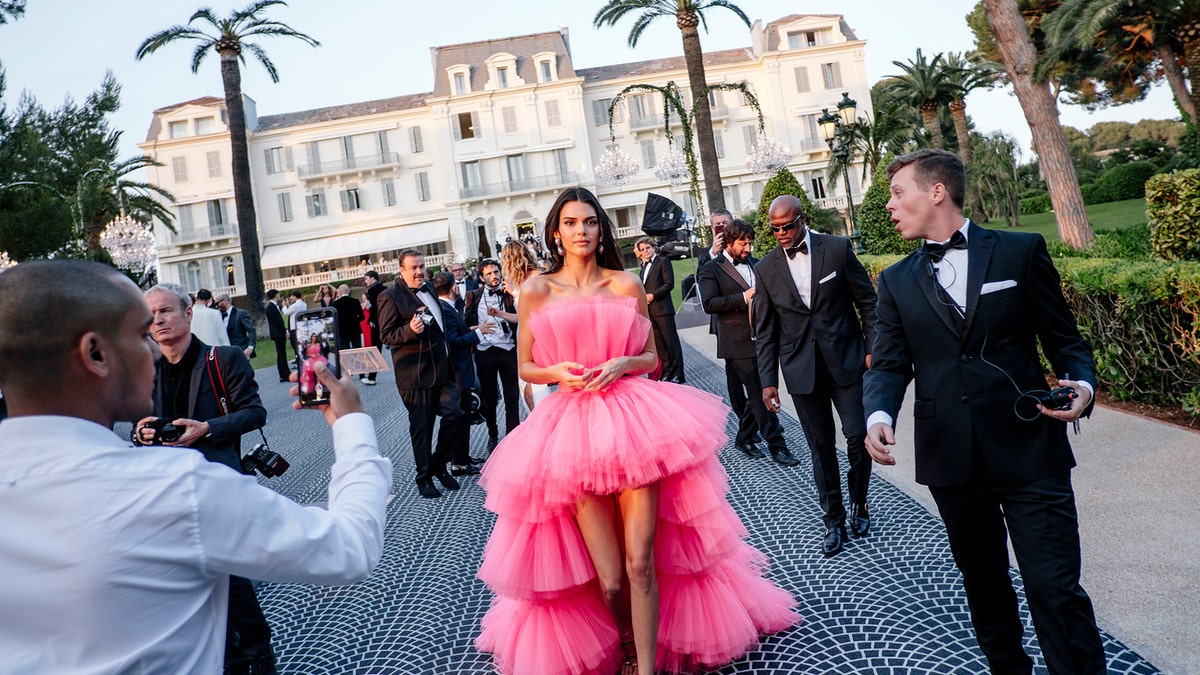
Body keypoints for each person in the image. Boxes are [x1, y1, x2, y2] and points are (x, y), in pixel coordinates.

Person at [0, 260, 391, 674]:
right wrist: (351, 423)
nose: (153, 346)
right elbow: (349, 548)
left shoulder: (216, 368)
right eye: (139, 332)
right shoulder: (175, 489)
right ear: (96, 353)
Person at [475, 187, 799, 675]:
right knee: (609, 578)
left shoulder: (625, 284)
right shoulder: (538, 291)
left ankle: (644, 668)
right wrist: (557, 373)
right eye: (570, 223)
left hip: (632, 422)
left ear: (600, 228)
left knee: (640, 563)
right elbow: (525, 365)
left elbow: (653, 357)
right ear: (555, 232)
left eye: (588, 222)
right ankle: (624, 643)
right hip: (571, 433)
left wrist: (627, 361)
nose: (581, 231)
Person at [864, 149, 1105, 674]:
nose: (889, 205)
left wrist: (1082, 387)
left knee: (1056, 590)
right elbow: (886, 365)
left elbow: (1066, 341)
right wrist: (878, 416)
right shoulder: (896, 281)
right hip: (952, 460)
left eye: (897, 192)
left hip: (1030, 448)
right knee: (985, 589)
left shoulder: (1019, 252)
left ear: (936, 192)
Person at [137, 283, 278, 673]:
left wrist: (207, 428)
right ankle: (225, 657)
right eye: (151, 315)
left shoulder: (224, 358)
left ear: (188, 313)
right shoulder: (146, 371)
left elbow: (255, 412)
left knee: (230, 577)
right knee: (191, 582)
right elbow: (137, 422)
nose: (159, 320)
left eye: (166, 311)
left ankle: (259, 652)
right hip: (166, 491)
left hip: (217, 484)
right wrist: (141, 432)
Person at [753, 194, 876, 557]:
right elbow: (765, 329)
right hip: (801, 370)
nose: (781, 234)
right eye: (774, 229)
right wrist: (767, 380)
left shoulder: (837, 249)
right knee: (820, 447)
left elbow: (867, 302)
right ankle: (834, 520)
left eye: (787, 226)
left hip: (847, 361)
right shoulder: (766, 268)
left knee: (857, 436)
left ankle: (860, 503)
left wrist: (873, 348)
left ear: (802, 219)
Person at [697, 218, 790, 462]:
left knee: (758, 391)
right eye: (742, 243)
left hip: (764, 338)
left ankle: (744, 437)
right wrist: (743, 297)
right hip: (736, 342)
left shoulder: (756, 264)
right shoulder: (711, 269)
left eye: (750, 243)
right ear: (728, 242)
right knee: (761, 392)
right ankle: (777, 445)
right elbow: (709, 304)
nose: (748, 248)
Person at [377, 250, 466, 499]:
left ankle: (439, 463)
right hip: (414, 375)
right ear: (402, 270)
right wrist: (410, 329)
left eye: (421, 266)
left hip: (443, 369)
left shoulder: (429, 287)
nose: (419, 271)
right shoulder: (389, 296)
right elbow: (387, 336)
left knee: (456, 414)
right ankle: (424, 477)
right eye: (413, 268)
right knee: (422, 428)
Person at [433, 270, 494, 475]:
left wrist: (471, 329)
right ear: (453, 288)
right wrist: (477, 333)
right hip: (459, 372)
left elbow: (457, 333)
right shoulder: (446, 309)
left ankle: (463, 457)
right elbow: (454, 342)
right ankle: (459, 463)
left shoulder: (445, 307)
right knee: (461, 417)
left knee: (464, 417)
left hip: (461, 370)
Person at [464, 258, 520, 452]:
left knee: (512, 397)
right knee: (489, 398)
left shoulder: (509, 294)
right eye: (488, 273)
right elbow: (464, 326)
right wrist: (477, 328)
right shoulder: (473, 296)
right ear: (481, 277)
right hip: (485, 352)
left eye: (496, 272)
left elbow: (523, 317)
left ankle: (513, 437)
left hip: (508, 350)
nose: (494, 276)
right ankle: (493, 434)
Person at [500, 238, 549, 410]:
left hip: (539, 337)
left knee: (538, 390)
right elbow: (521, 316)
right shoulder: (520, 281)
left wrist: (516, 294)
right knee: (527, 390)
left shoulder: (537, 277)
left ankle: (547, 427)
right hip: (524, 335)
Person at [634, 237, 685, 383]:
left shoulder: (663, 261)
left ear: (654, 248)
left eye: (648, 248)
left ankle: (678, 374)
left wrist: (653, 295)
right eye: (642, 249)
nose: (645, 251)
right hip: (651, 311)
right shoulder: (643, 267)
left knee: (671, 342)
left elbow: (669, 284)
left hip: (663, 309)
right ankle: (667, 373)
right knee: (660, 345)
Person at [361, 270, 386, 384]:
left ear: (372, 278)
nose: (365, 282)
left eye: (366, 279)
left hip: (376, 323)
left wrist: (372, 320)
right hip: (386, 321)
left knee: (375, 349)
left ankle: (372, 377)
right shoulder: (385, 288)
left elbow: (374, 308)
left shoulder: (372, 290)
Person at [217, 292, 257, 360]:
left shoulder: (240, 314)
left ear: (225, 301)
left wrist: (250, 347)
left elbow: (251, 330)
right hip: (226, 353)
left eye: (217, 303)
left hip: (241, 351)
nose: (216, 306)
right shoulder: (218, 316)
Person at [265, 289, 290, 383]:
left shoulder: (274, 306)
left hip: (278, 333)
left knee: (281, 354)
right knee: (282, 354)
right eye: (278, 294)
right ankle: (285, 373)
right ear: (276, 295)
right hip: (278, 333)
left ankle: (283, 374)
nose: (279, 296)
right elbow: (278, 321)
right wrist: (284, 331)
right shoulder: (271, 307)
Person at [332, 284, 365, 349]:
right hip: (355, 330)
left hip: (342, 331)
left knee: (344, 352)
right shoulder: (356, 301)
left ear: (340, 292)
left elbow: (334, 319)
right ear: (349, 291)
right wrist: (355, 321)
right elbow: (362, 317)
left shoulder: (336, 304)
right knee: (357, 350)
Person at [283, 290, 308, 359]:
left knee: (294, 344)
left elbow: (286, 313)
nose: (291, 298)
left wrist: (284, 306)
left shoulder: (295, 305)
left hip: (294, 327)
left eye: (292, 296)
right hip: (301, 326)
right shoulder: (304, 304)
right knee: (301, 344)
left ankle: (298, 358)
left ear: (295, 296)